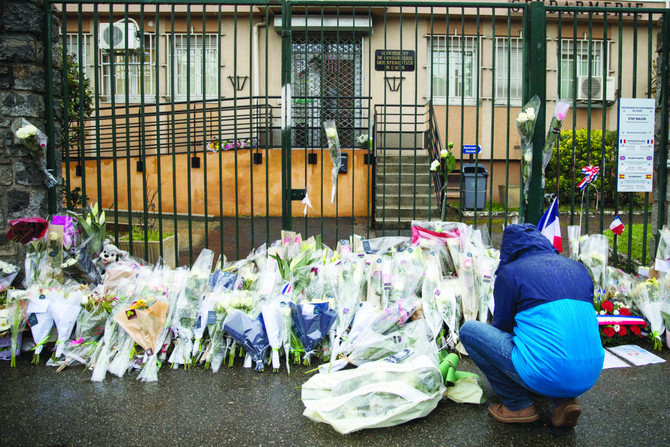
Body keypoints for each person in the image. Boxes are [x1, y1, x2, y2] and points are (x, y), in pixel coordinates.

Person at [459, 223, 604, 427]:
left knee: (469, 332)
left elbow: (503, 327)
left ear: (509, 249)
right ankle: (563, 400)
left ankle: (518, 405)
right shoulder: (577, 268)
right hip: (591, 371)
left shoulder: (511, 272)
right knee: (553, 348)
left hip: (548, 369)